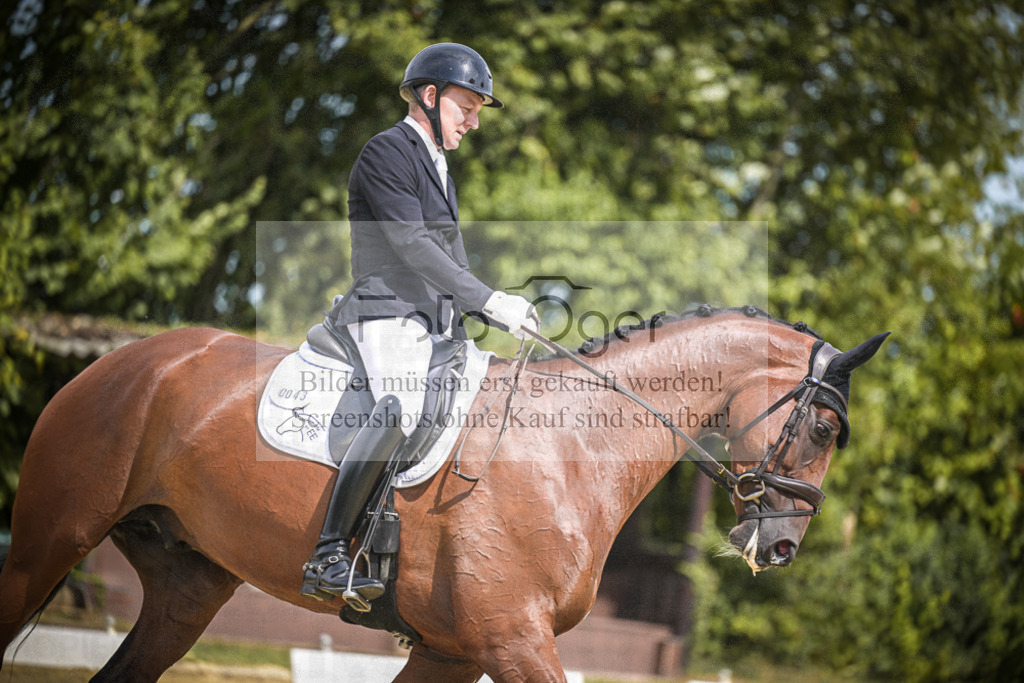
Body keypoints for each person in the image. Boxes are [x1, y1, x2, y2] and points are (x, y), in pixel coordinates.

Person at [300, 43, 538, 605]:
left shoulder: (439, 168)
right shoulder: (387, 151)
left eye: (477, 112)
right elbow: (410, 243)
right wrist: (488, 298)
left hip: (429, 322)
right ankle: (328, 554)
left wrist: (492, 310)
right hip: (385, 310)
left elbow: (451, 259)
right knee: (401, 406)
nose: (474, 122)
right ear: (430, 96)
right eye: (467, 109)